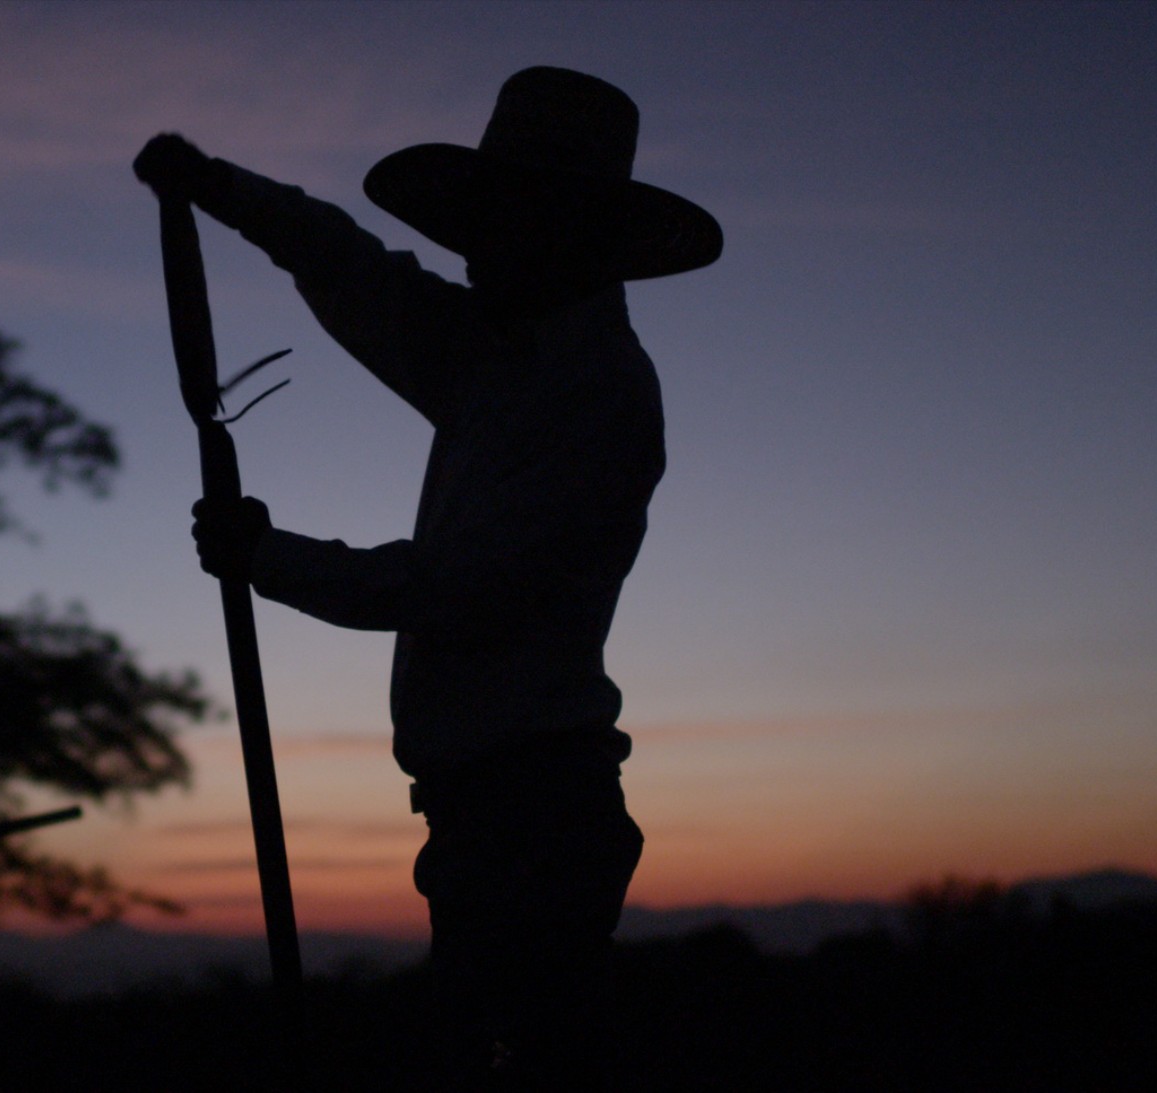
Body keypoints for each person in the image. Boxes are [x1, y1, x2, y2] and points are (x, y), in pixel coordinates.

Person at [135, 67, 721, 1089]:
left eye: (504, 223)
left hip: (535, 819)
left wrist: (267, 556)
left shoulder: (598, 395)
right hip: (494, 814)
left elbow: (463, 589)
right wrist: (220, 189)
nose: (476, 251)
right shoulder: (496, 356)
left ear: (567, 233)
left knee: (513, 1060)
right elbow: (353, 269)